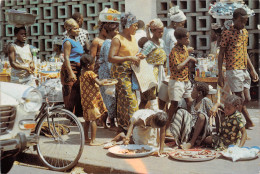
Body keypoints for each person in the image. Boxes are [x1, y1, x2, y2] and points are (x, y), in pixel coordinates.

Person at [217, 8, 259, 129]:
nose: (243, 24)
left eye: (245, 21)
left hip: (244, 69)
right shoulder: (227, 33)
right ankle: (240, 123)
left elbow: (244, 52)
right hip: (233, 69)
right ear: (234, 20)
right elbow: (221, 54)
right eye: (241, 21)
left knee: (247, 98)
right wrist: (220, 73)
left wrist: (252, 69)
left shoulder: (244, 32)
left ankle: (230, 116)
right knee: (239, 98)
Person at [108, 12, 145, 130]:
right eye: (134, 25)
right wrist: (129, 58)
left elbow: (131, 53)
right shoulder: (117, 39)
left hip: (131, 71)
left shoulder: (132, 38)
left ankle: (124, 126)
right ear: (128, 25)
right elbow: (111, 58)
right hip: (120, 73)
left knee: (124, 100)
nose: (136, 28)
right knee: (130, 99)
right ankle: (133, 128)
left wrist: (138, 56)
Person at [167, 27, 197, 134]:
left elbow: (187, 49)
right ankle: (166, 127)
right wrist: (188, 59)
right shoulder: (174, 51)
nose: (188, 41)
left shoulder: (184, 47)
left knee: (190, 102)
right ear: (179, 40)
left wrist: (189, 51)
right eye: (186, 39)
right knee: (174, 104)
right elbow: (177, 67)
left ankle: (189, 125)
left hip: (185, 80)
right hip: (177, 81)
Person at [169, 82, 213, 149]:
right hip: (192, 129)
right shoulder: (193, 102)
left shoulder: (206, 101)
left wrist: (216, 105)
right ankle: (177, 139)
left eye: (193, 90)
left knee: (202, 116)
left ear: (199, 93)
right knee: (181, 111)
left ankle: (191, 142)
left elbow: (211, 114)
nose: (191, 92)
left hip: (203, 130)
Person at [139, 18, 166, 110]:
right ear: (153, 31)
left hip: (159, 71)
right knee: (150, 97)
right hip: (150, 72)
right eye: (159, 32)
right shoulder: (149, 44)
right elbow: (141, 55)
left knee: (148, 98)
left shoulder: (161, 42)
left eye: (162, 32)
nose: (161, 34)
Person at [80, 54, 107, 145]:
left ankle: (86, 138)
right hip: (92, 100)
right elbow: (99, 83)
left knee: (87, 120)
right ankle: (93, 140)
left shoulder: (82, 72)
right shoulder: (91, 73)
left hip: (85, 100)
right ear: (88, 66)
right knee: (94, 119)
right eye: (93, 64)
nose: (94, 66)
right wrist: (104, 81)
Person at [61, 18, 84, 117]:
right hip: (70, 67)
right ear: (69, 30)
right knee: (70, 93)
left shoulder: (77, 42)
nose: (78, 31)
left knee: (77, 92)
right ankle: (70, 116)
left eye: (78, 29)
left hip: (78, 69)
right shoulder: (67, 42)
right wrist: (70, 73)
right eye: (75, 29)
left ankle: (76, 116)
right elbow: (66, 58)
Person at [98, 22, 120, 128]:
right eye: (115, 30)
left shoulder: (111, 42)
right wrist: (114, 74)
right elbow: (109, 61)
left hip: (108, 72)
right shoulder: (108, 43)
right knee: (110, 97)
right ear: (108, 32)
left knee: (111, 97)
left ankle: (108, 120)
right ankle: (110, 122)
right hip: (107, 73)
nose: (117, 32)